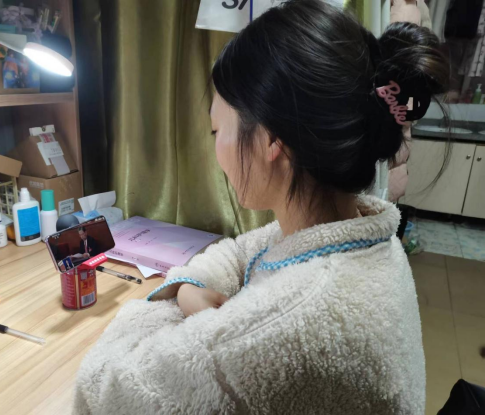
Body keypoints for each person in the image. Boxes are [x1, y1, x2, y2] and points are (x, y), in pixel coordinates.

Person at [73, 1, 449, 414]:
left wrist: (173, 301)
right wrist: (187, 289)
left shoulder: (277, 330)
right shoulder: (359, 233)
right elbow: (240, 252)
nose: (216, 149)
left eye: (217, 130)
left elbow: (102, 390)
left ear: (270, 138)